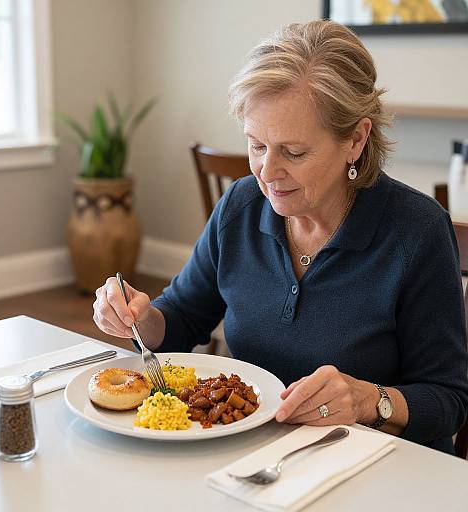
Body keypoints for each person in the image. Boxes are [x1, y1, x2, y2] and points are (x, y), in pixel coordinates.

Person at [93, 20, 468, 454]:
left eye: (294, 152)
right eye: (256, 145)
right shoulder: (241, 205)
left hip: (376, 461)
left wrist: (369, 400)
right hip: (253, 452)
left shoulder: (416, 231)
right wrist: (140, 318)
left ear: (356, 139)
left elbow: (449, 401)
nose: (267, 174)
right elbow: (181, 316)